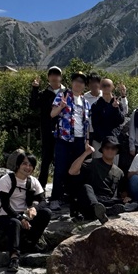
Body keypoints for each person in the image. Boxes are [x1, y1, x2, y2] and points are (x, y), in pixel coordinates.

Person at [0, 154, 52, 271]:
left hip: (24, 213)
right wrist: (21, 219)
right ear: (18, 165)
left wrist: (35, 209)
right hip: (6, 214)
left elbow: (43, 201)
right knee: (15, 222)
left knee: (46, 213)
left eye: (31, 165)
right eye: (24, 164)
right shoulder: (6, 180)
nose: (27, 167)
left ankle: (31, 244)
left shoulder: (33, 181)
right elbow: (5, 205)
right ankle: (14, 257)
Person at [49, 72, 94, 213]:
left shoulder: (86, 102)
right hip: (64, 139)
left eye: (82, 81)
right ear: (72, 82)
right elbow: (52, 114)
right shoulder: (62, 96)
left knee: (76, 170)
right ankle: (55, 198)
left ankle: (72, 197)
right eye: (76, 80)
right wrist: (61, 107)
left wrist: (87, 141)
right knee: (60, 168)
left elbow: (87, 124)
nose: (78, 83)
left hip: (80, 140)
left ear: (84, 85)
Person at [71, 135, 136, 224]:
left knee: (135, 203)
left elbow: (122, 192)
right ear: (102, 149)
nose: (110, 150)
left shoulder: (119, 172)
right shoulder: (92, 162)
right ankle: (98, 210)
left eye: (113, 148)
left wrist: (126, 198)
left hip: (107, 201)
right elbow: (72, 171)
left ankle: (104, 212)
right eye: (107, 147)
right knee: (86, 187)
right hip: (92, 200)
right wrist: (86, 153)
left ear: (117, 151)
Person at [30, 66, 66, 189]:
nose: (54, 77)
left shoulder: (67, 93)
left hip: (64, 131)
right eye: (51, 74)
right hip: (46, 131)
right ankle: (41, 188)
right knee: (46, 160)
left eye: (57, 74)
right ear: (48, 78)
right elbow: (33, 105)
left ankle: (61, 188)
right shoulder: (44, 94)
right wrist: (35, 89)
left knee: (61, 160)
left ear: (61, 77)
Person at [90, 78, 127, 155]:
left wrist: (116, 109)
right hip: (99, 142)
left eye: (108, 85)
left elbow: (121, 120)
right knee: (98, 162)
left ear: (113, 87)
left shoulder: (118, 103)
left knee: (114, 163)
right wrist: (104, 140)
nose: (106, 87)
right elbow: (95, 124)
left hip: (115, 141)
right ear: (100, 87)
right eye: (104, 85)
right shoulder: (96, 105)